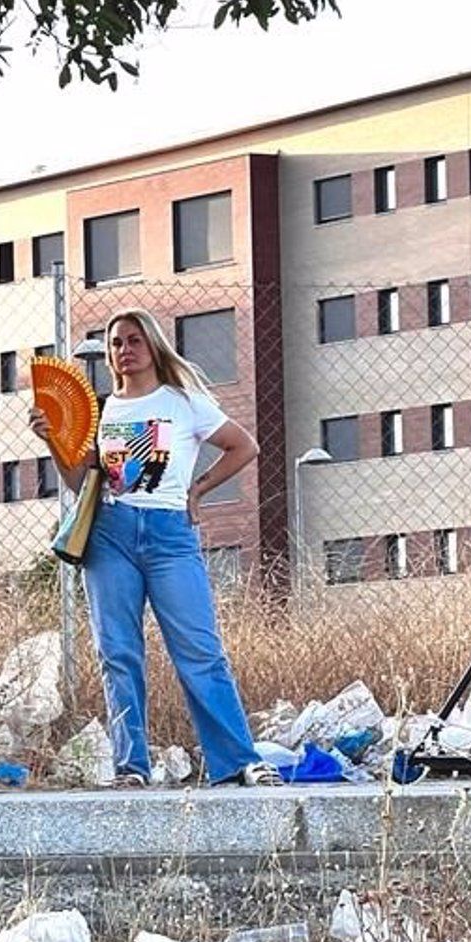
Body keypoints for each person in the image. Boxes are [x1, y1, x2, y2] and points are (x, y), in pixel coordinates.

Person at [30, 308, 280, 788]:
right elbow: (82, 482)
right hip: (110, 534)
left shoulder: (184, 401)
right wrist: (54, 442)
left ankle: (237, 761)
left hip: (170, 535)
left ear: (153, 345)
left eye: (134, 340)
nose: (124, 350)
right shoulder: (102, 411)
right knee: (118, 653)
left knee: (200, 650)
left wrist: (198, 490)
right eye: (116, 343)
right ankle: (131, 767)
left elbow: (244, 446)